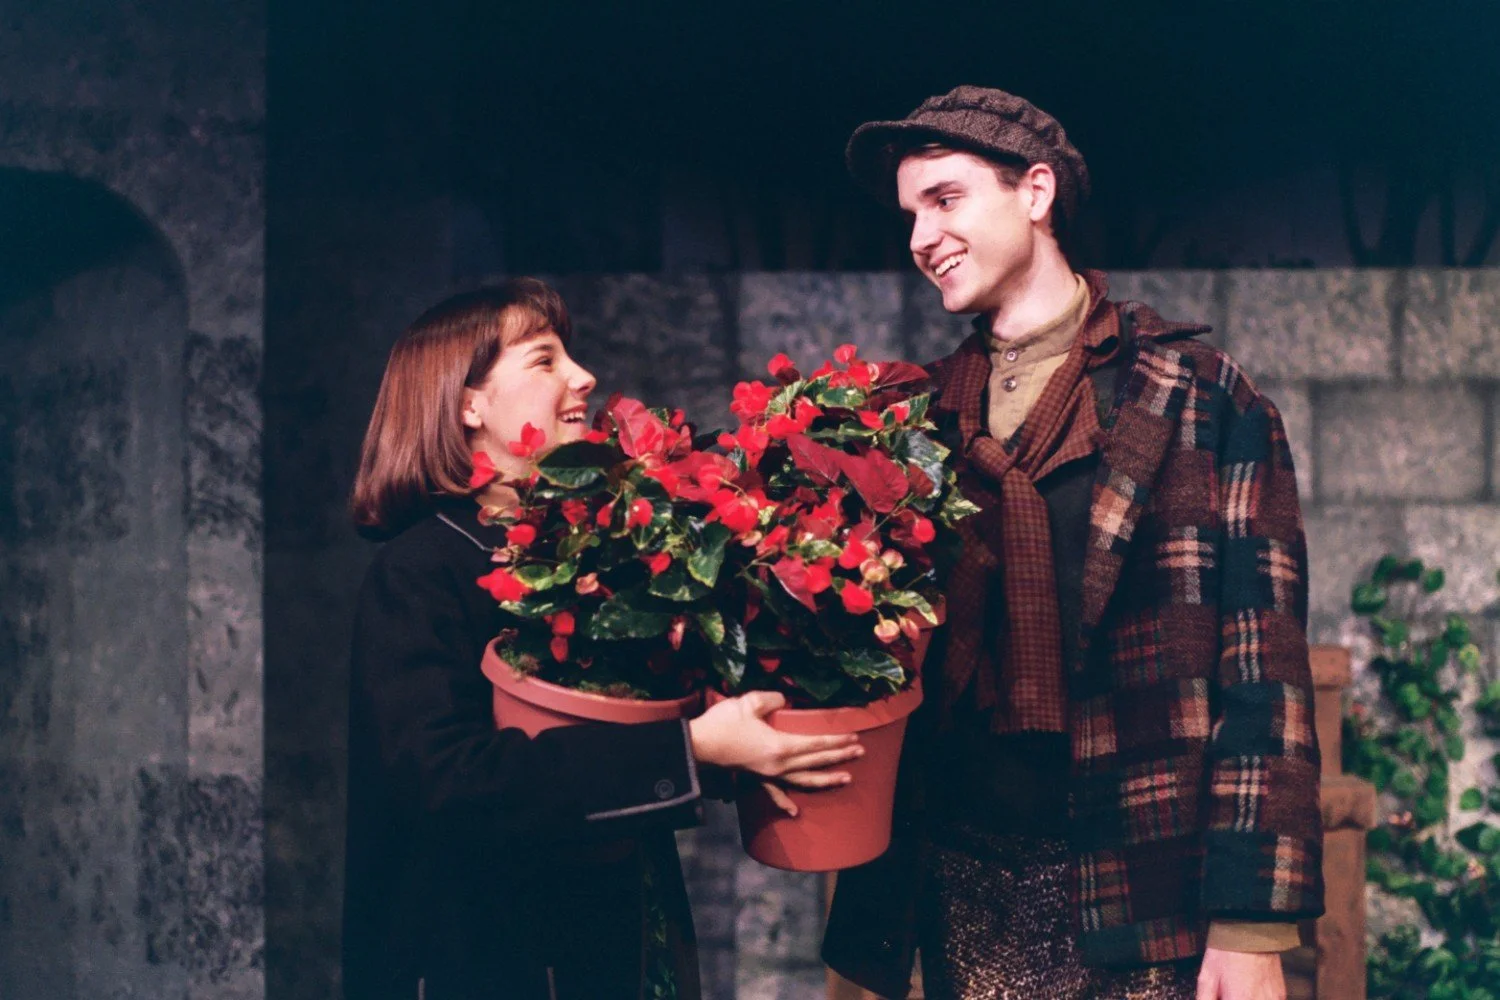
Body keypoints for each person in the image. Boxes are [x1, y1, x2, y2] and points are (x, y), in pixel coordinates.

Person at [823, 87, 1324, 1000]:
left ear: (1037, 193)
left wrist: (1250, 927)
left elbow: (1265, 675)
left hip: (1145, 884)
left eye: (946, 199)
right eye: (909, 215)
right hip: (962, 874)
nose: (919, 238)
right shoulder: (912, 418)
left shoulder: (1202, 400)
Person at [342, 278, 863, 1000]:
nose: (584, 376)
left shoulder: (590, 559)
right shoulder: (420, 571)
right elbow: (448, 782)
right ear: (468, 403)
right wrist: (693, 749)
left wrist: (740, 751)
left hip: (624, 949)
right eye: (544, 359)